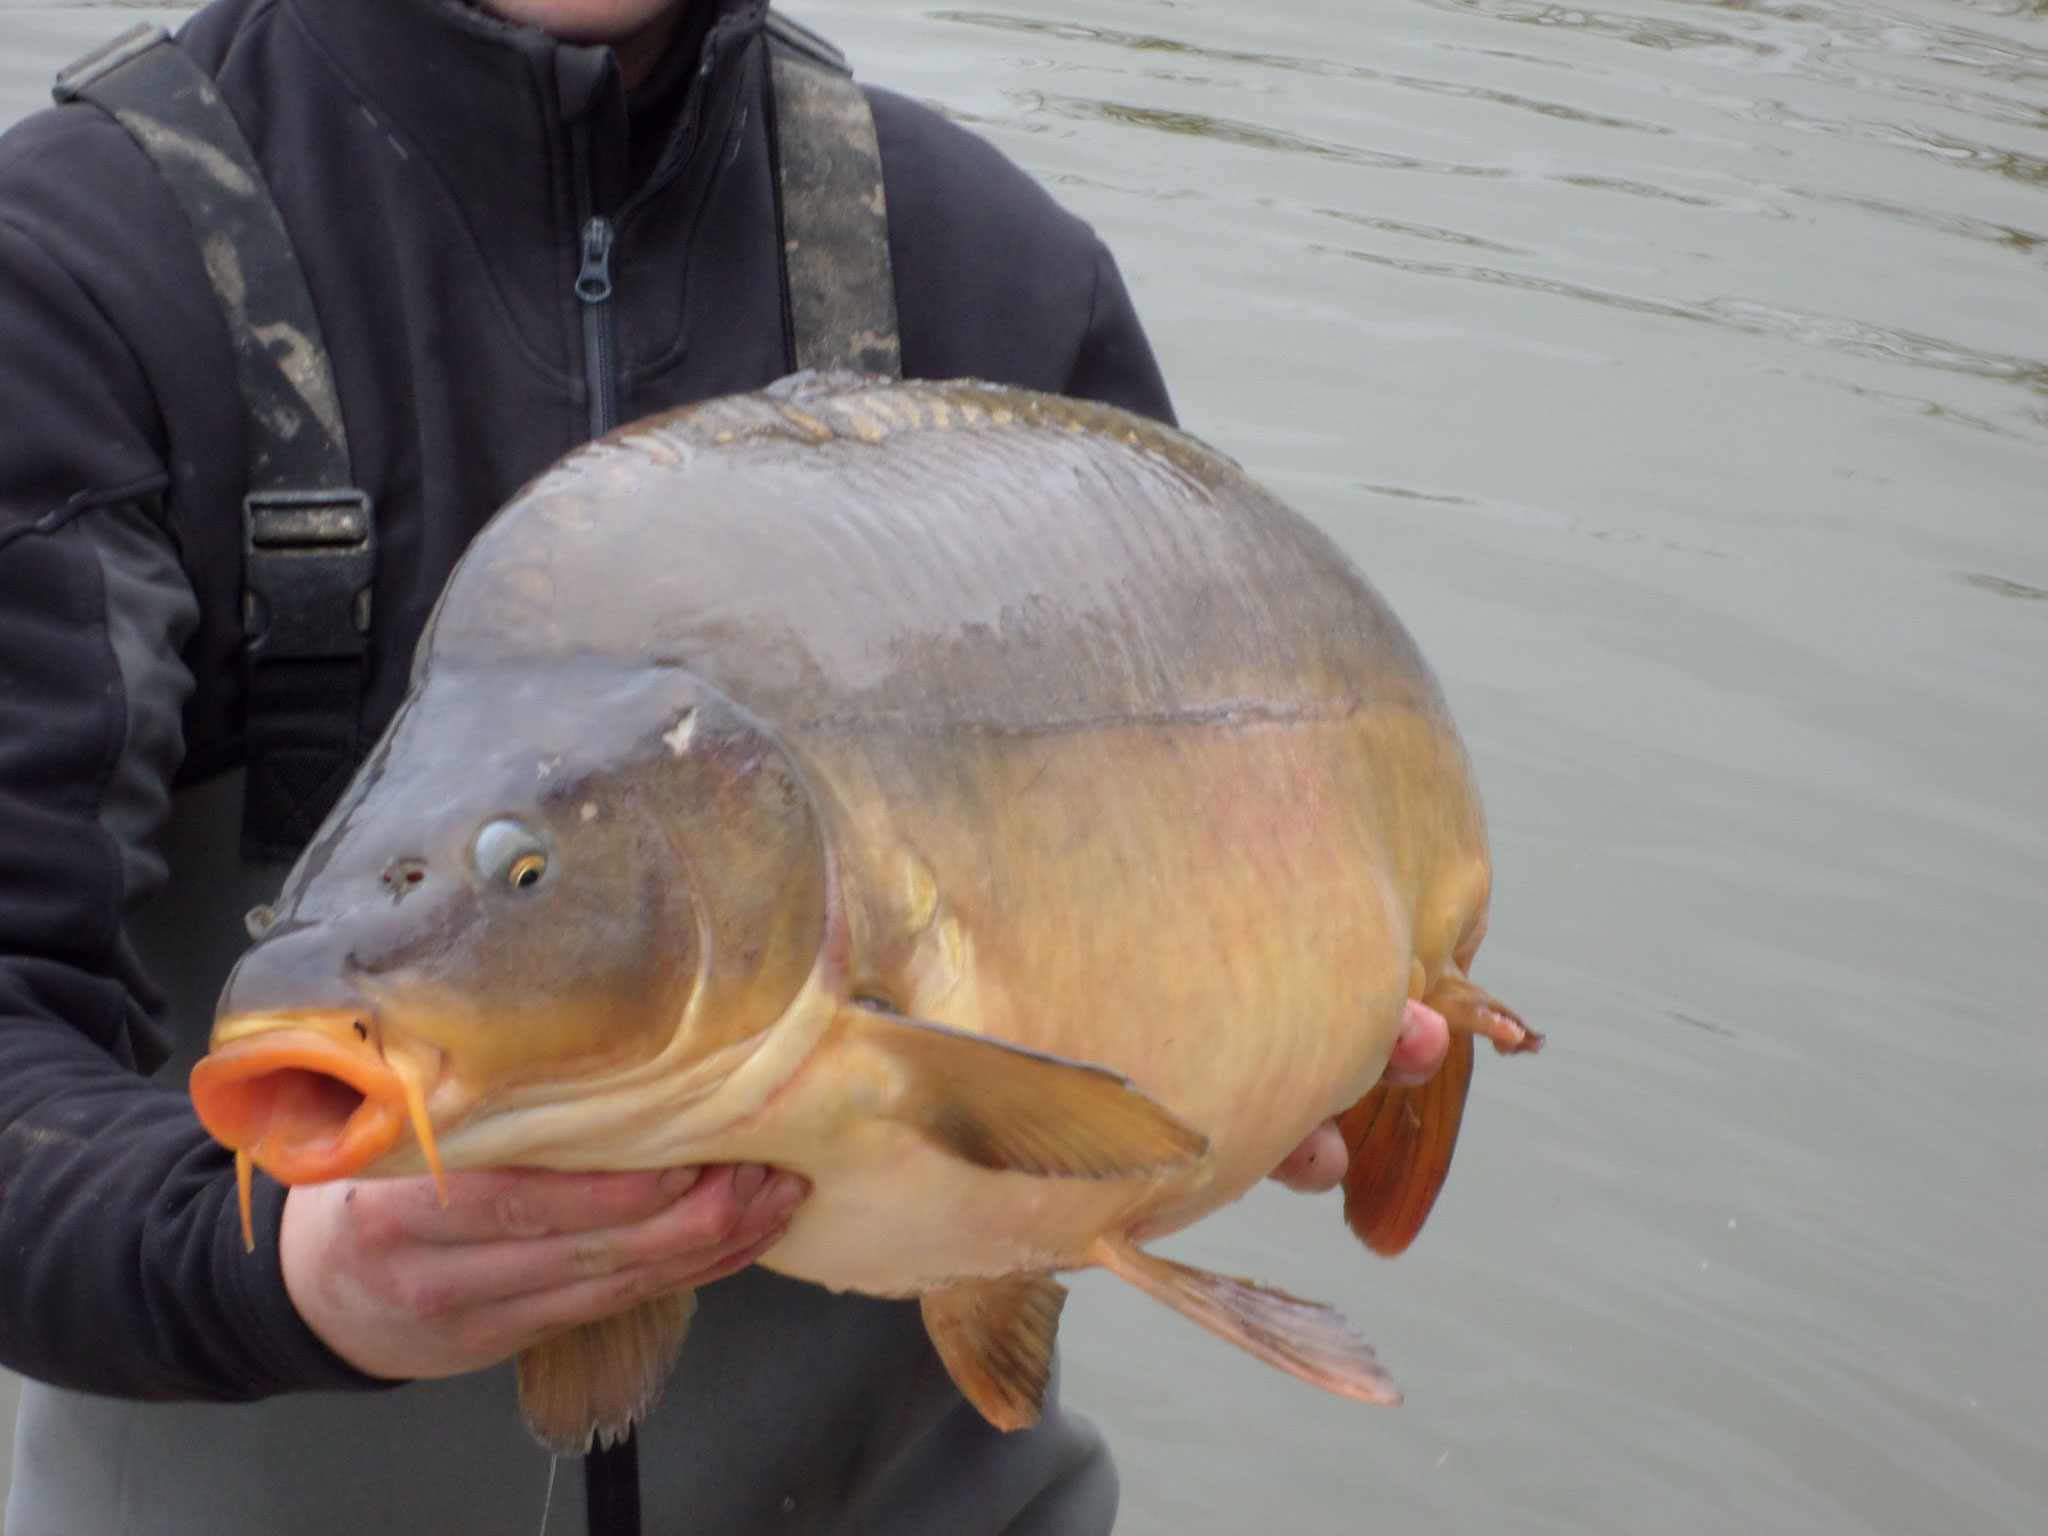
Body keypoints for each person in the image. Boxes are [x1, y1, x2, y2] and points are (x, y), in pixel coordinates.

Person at [0, 0, 1449, 1531]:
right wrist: (272, 1274)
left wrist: (1251, 1031)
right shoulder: (76, 278)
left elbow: (1213, 872)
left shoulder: (989, 268)